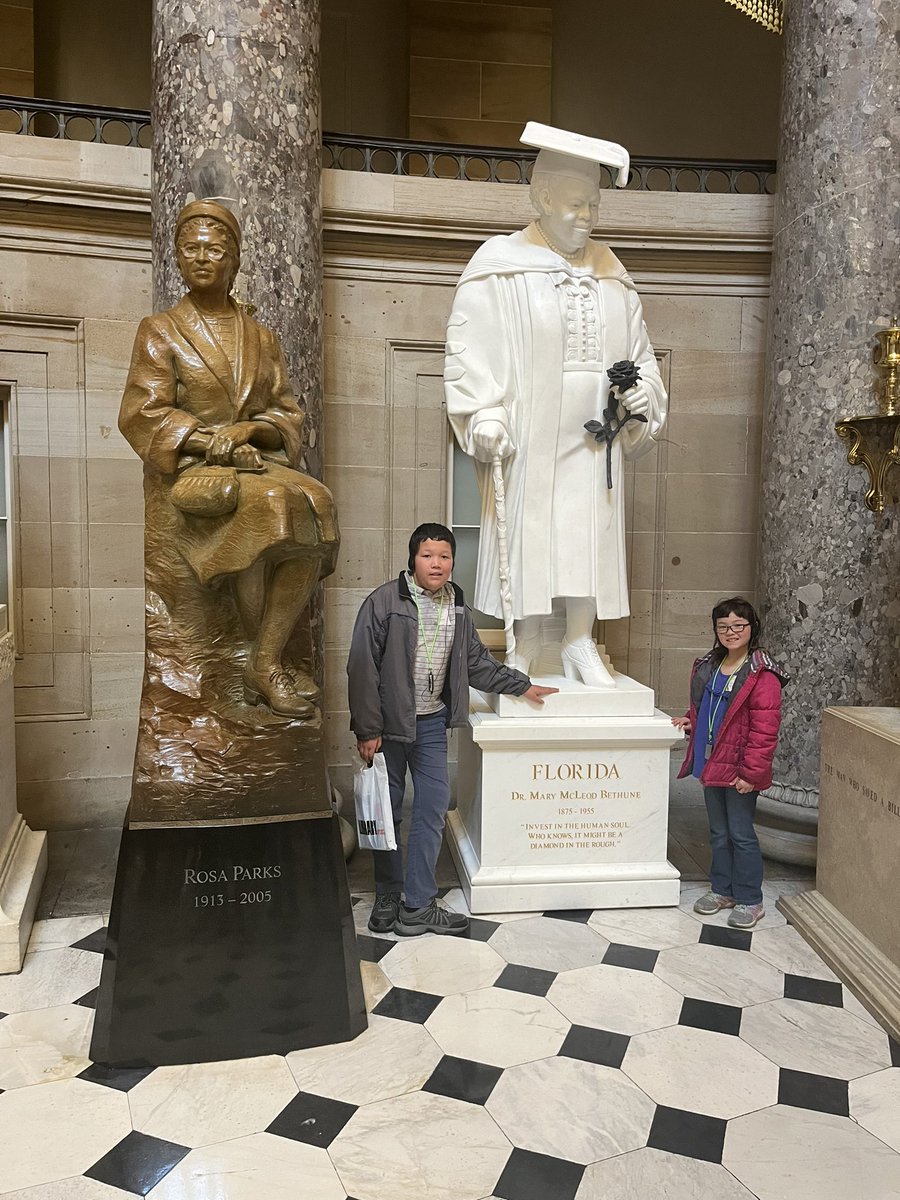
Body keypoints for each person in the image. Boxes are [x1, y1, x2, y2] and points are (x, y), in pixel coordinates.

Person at [444, 125, 667, 686]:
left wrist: (643, 397)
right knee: (528, 530)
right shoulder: (499, 265)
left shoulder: (614, 276)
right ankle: (524, 649)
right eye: (574, 205)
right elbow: (470, 351)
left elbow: (642, 358)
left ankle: (577, 642)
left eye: (593, 204)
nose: (586, 216)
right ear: (541, 200)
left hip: (596, 437)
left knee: (587, 533)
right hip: (530, 430)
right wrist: (485, 413)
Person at [119, 199, 337, 720]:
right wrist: (206, 440)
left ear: (233, 260)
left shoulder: (261, 337)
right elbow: (141, 412)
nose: (200, 257)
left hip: (253, 461)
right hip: (193, 472)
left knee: (318, 502)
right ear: (176, 258)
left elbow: (287, 412)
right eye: (189, 249)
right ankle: (263, 665)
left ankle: (263, 660)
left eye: (213, 249)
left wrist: (248, 430)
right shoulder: (161, 330)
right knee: (276, 506)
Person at [347, 523, 557, 936]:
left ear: (452, 561)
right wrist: (367, 730)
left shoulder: (457, 604)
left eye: (444, 556)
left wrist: (522, 685)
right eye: (428, 555)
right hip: (387, 728)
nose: (437, 563)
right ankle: (389, 892)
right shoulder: (385, 601)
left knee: (430, 810)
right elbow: (361, 668)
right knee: (386, 811)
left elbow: (475, 661)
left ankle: (419, 903)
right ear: (413, 559)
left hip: (430, 725)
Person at [672, 598, 787, 929]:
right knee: (719, 833)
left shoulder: (761, 675)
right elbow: (709, 710)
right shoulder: (710, 665)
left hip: (739, 769)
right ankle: (722, 890)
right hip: (711, 764)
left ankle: (750, 899)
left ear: (752, 628)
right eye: (723, 626)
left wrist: (752, 774)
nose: (731, 632)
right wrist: (693, 722)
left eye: (739, 625)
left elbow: (765, 732)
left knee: (741, 834)